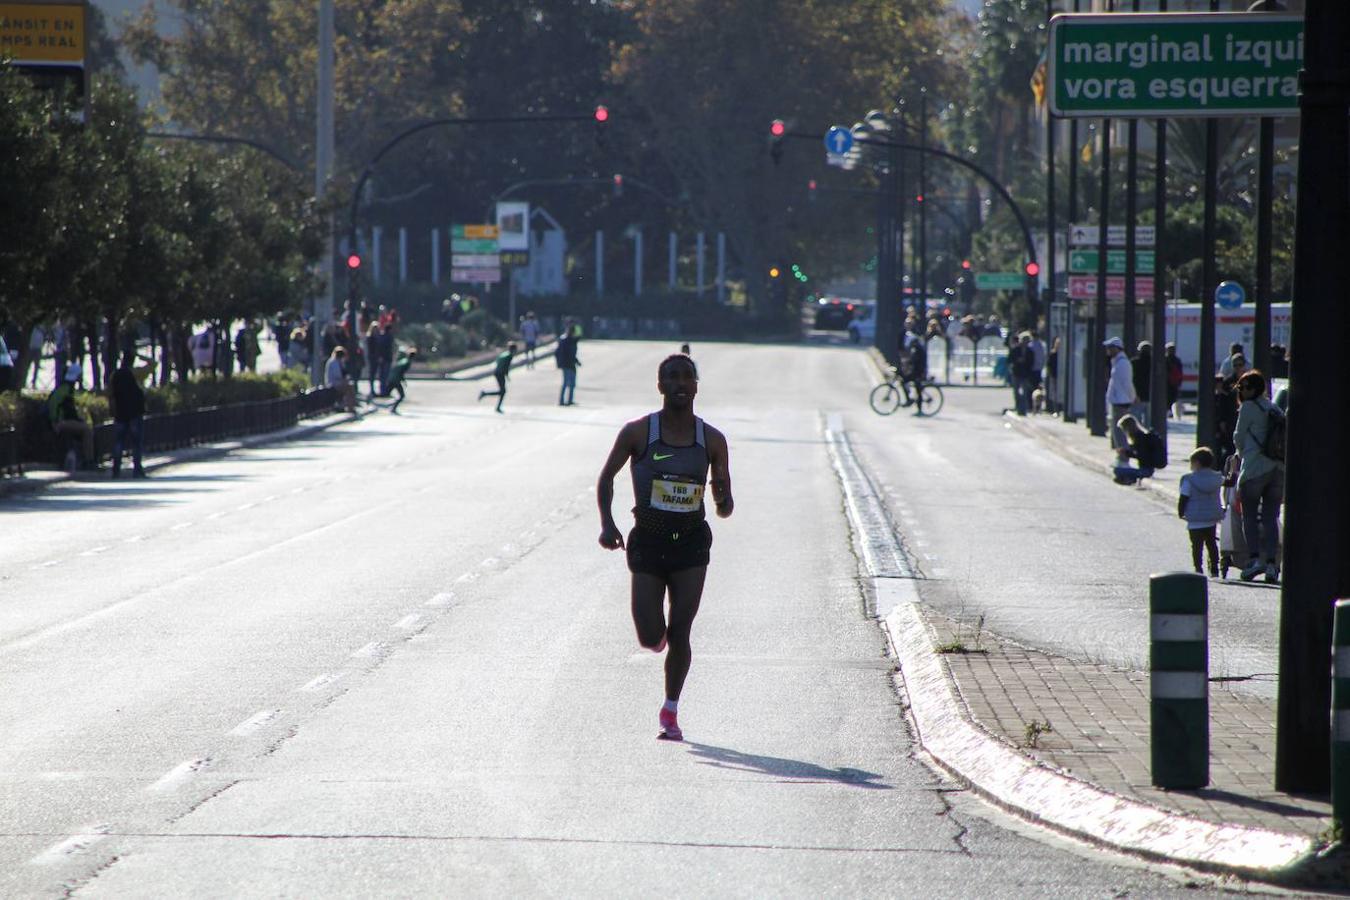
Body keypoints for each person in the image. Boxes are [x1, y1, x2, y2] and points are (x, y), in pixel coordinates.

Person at [596, 354, 734, 741]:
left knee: (681, 631)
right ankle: (655, 641)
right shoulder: (638, 432)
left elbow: (725, 508)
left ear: (696, 386)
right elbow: (606, 478)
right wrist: (608, 524)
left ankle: (670, 710)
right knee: (649, 635)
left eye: (687, 378)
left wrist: (722, 497)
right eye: (671, 377)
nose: (680, 384)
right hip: (649, 541)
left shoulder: (712, 440)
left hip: (690, 543)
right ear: (659, 385)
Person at [1232, 369, 1284, 583]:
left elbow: (1238, 437)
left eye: (1244, 387)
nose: (1242, 391)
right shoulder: (1274, 408)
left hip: (1254, 468)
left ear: (1254, 388)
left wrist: (1243, 455)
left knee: (1250, 516)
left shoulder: (1248, 408)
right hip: (1278, 469)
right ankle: (1272, 563)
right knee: (1272, 517)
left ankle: (1254, 559)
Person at [1178, 447, 1223, 577]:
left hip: (1195, 518)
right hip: (1211, 517)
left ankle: (1198, 568)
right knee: (1212, 543)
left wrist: (1181, 512)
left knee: (1196, 546)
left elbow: (1184, 497)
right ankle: (1214, 567)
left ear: (1196, 463)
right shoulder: (1216, 478)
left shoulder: (1189, 479)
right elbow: (1229, 482)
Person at [109, 353, 150, 479]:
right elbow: (154, 364)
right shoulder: (137, 373)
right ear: (132, 361)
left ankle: (116, 471)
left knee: (119, 442)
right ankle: (137, 470)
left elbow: (110, 394)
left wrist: (112, 410)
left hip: (120, 413)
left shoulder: (114, 374)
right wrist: (140, 356)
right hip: (135, 413)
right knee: (136, 443)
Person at [47, 363, 94, 471]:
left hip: (62, 421)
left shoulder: (66, 388)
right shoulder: (66, 390)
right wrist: (54, 421)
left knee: (86, 426)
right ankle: (89, 460)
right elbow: (55, 406)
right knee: (87, 430)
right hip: (60, 422)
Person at [1104, 337, 1137, 462]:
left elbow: (1127, 383)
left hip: (1121, 402)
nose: (1108, 350)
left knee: (1120, 433)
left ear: (1117, 348)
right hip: (1117, 401)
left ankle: (1124, 458)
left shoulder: (1123, 364)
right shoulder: (1117, 362)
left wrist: (1132, 397)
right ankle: (1121, 456)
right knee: (1117, 433)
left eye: (1110, 347)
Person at [1113, 414, 1166, 485]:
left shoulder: (1140, 438)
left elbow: (1142, 456)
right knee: (1120, 472)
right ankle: (1130, 478)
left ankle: (1131, 478)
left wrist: (1126, 453)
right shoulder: (1142, 436)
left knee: (1117, 470)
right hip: (1147, 468)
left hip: (1146, 470)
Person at [478, 343, 517, 414]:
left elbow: (497, 361)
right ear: (513, 349)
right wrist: (507, 376)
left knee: (502, 391)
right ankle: (486, 395)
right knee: (503, 391)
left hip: (497, 372)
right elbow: (506, 367)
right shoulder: (509, 356)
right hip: (500, 373)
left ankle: (497, 406)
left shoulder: (504, 354)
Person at [898, 330, 928, 415]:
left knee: (918, 389)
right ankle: (910, 400)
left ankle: (918, 409)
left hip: (919, 372)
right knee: (906, 382)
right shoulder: (917, 347)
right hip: (917, 371)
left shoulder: (917, 349)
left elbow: (915, 360)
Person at [379, 348, 416, 413]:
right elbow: (401, 373)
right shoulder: (407, 363)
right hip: (396, 380)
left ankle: (390, 406)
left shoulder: (403, 360)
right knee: (402, 396)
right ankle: (393, 408)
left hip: (392, 378)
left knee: (386, 394)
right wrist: (404, 381)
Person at [1008, 332, 1034, 416]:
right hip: (1016, 372)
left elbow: (1031, 363)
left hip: (1025, 374)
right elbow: (1009, 359)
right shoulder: (1016, 349)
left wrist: (1025, 362)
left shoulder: (1030, 351)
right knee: (1016, 391)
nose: (1025, 342)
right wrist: (1017, 360)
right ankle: (1018, 407)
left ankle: (1025, 408)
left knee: (1025, 391)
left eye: (1027, 340)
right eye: (1024, 340)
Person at [325, 346, 356, 412]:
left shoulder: (340, 362)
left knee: (350, 386)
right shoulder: (333, 362)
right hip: (333, 383)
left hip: (339, 382)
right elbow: (337, 376)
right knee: (349, 388)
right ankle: (350, 406)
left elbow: (345, 373)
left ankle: (351, 405)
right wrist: (345, 380)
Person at [556, 323, 579, 406]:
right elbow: (564, 353)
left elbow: (572, 354)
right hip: (567, 364)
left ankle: (569, 400)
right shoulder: (566, 340)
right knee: (566, 382)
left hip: (570, 364)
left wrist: (576, 361)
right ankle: (562, 400)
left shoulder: (571, 340)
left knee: (572, 383)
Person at [1131, 341, 1152, 426]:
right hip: (1150, 396)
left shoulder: (1134, 363)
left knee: (1137, 420)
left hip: (1137, 395)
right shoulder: (1154, 363)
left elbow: (1131, 380)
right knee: (1149, 421)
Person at [1165, 342, 1184, 419]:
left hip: (1166, 384)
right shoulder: (1177, 360)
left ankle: (1167, 412)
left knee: (1166, 400)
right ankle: (1173, 413)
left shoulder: (1164, 359)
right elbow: (1180, 373)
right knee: (1173, 399)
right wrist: (1179, 383)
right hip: (1175, 384)